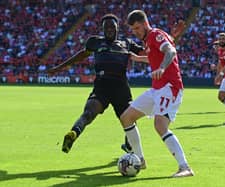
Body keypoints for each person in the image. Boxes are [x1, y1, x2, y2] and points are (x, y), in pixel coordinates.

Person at [48, 13, 186, 154]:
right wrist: (59, 67)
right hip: (102, 85)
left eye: (111, 26)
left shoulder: (127, 43)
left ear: (117, 28)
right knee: (89, 112)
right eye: (105, 26)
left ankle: (130, 148)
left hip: (121, 88)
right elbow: (80, 56)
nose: (108, 29)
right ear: (102, 29)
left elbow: (154, 52)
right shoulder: (94, 42)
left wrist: (172, 38)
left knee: (129, 118)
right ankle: (73, 133)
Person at [120, 10, 194, 178]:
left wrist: (161, 68)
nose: (136, 32)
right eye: (133, 30)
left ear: (145, 24)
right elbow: (154, 57)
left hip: (170, 87)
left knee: (160, 125)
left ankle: (185, 167)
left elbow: (171, 52)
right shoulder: (149, 40)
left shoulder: (155, 34)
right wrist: (136, 58)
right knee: (126, 118)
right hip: (157, 89)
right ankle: (139, 159)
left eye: (138, 28)